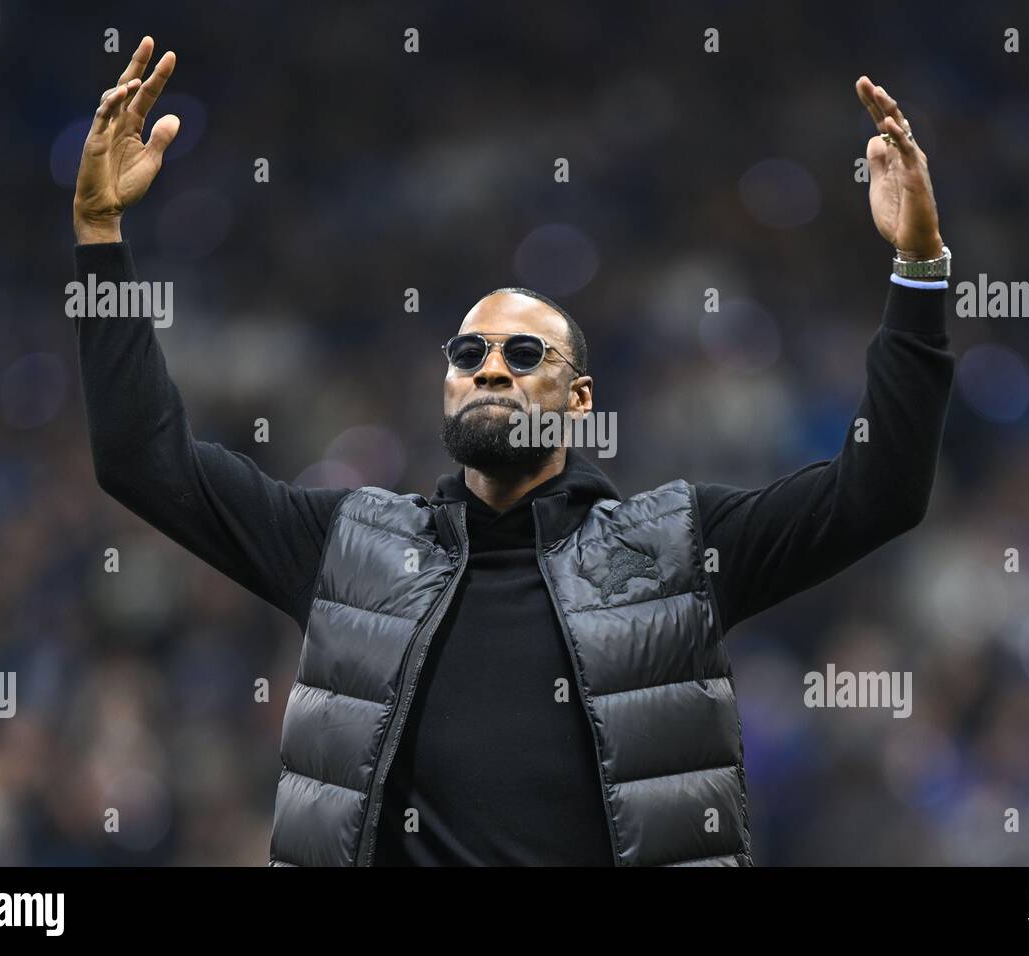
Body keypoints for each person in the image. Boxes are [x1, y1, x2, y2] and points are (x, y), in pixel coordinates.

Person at [71, 36, 955, 866]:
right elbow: (143, 460)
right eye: (468, 354)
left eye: (523, 354)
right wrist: (100, 240)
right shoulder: (350, 549)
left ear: (577, 400)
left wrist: (918, 270)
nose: (490, 368)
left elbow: (879, 492)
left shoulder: (674, 549)